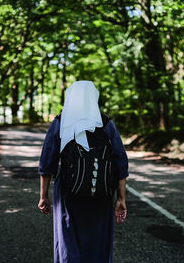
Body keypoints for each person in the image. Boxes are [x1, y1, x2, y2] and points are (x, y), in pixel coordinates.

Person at [38, 80, 129, 263]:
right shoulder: (106, 124)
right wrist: (121, 199)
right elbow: (120, 162)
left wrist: (43, 196)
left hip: (67, 194)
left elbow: (47, 162)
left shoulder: (60, 123)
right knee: (98, 241)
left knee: (68, 239)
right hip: (101, 193)